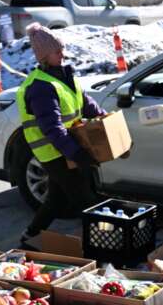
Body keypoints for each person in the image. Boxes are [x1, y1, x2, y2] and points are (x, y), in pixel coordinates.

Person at [17, 23, 106, 245]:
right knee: (85, 199)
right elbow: (52, 128)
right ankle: (102, 246)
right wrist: (76, 154)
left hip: (67, 147)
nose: (62, 54)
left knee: (56, 199)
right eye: (57, 51)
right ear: (45, 56)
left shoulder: (64, 76)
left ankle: (30, 235)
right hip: (53, 152)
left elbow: (86, 103)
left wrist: (105, 118)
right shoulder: (41, 87)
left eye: (62, 49)